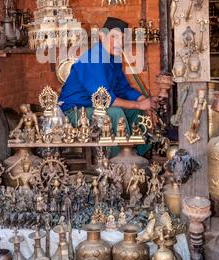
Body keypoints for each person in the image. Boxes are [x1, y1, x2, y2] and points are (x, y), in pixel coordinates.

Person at [59, 16, 157, 157]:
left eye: (122, 38)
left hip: (95, 108)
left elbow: (123, 89)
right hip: (75, 113)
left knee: (136, 113)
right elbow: (105, 100)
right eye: (114, 37)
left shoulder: (114, 59)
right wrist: (139, 105)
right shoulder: (93, 58)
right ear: (101, 35)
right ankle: (118, 162)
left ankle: (139, 156)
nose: (119, 43)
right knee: (116, 113)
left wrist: (142, 99)